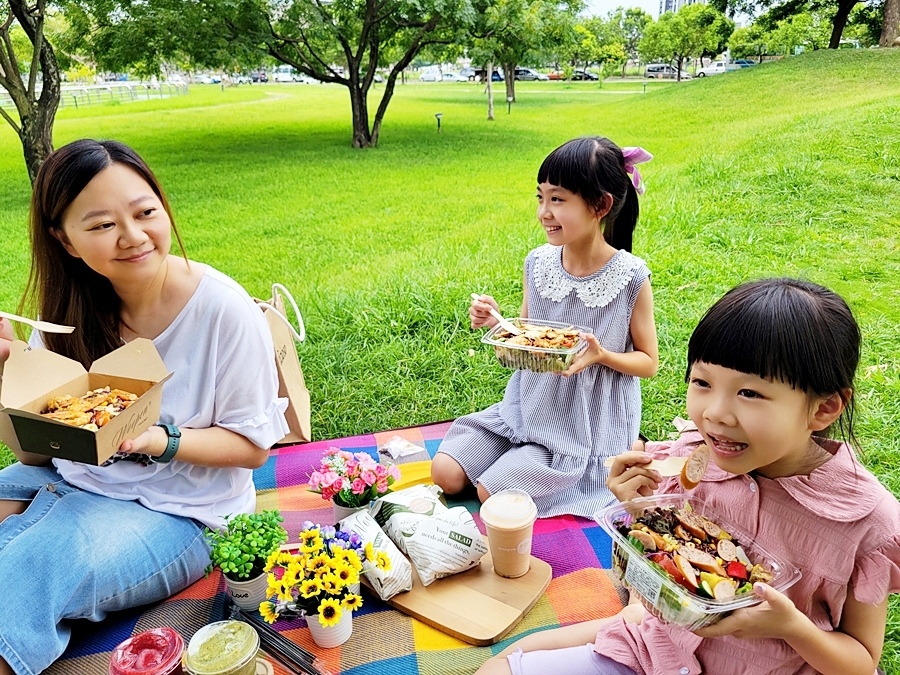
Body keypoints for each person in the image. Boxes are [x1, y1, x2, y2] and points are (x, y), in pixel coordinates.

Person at [476, 278, 900, 675]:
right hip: (656, 650)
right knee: (501, 667)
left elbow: (860, 662)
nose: (715, 413)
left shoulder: (865, 521)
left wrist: (791, 628)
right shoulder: (687, 461)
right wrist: (634, 514)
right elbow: (643, 580)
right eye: (702, 382)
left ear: (823, 408)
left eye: (749, 393)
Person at [0, 139, 289, 675]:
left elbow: (253, 449)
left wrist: (160, 440)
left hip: (180, 515)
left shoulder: (222, 310)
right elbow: (39, 454)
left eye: (144, 212)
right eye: (102, 225)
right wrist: (6, 382)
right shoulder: (66, 313)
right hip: (73, 478)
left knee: (19, 575)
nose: (132, 237)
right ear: (64, 241)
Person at [431, 137, 658, 518]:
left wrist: (601, 355)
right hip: (525, 406)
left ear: (600, 205)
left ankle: (607, 449)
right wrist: (495, 322)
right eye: (541, 198)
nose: (543, 212)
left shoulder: (630, 277)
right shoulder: (538, 263)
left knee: (493, 496)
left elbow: (648, 362)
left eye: (557, 199)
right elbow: (526, 333)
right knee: (445, 474)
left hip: (581, 425)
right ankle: (517, 453)